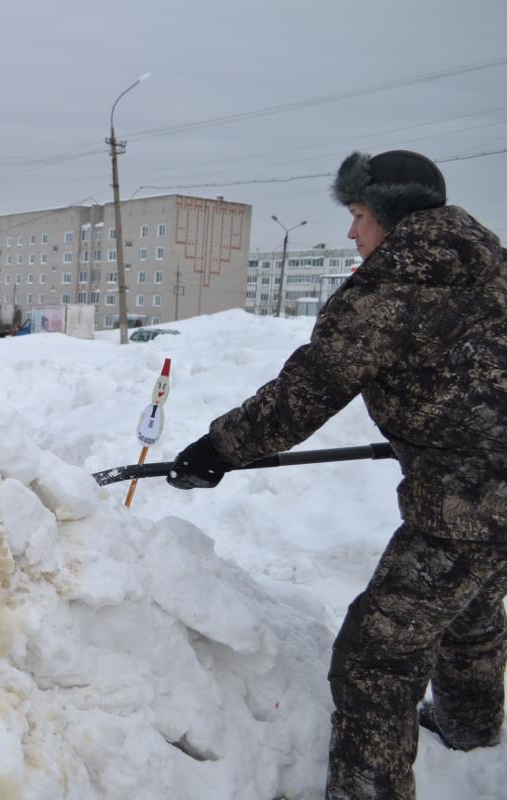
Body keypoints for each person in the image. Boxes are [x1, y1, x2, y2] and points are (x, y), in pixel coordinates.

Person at [165, 150, 507, 799]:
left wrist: (216, 451)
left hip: (470, 502)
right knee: (471, 607)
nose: (352, 232)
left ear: (394, 215)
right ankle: (470, 726)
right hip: (489, 482)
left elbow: (307, 392)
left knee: (375, 662)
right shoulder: (490, 260)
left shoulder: (392, 288)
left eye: (357, 215)